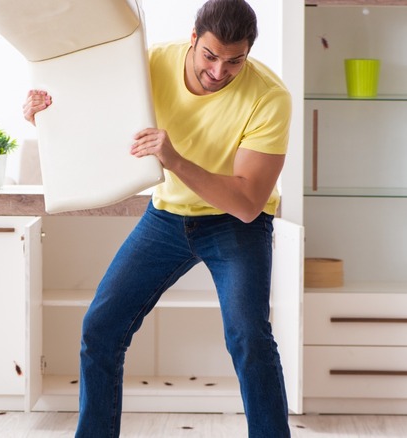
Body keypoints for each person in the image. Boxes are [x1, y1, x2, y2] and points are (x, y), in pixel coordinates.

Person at [23, 0, 292, 437]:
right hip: (167, 216)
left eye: (234, 61)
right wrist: (47, 119)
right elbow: (97, 119)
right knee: (101, 328)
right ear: (193, 38)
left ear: (248, 53)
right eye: (210, 56)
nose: (219, 71)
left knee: (249, 338)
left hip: (236, 225)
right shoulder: (151, 64)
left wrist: (175, 159)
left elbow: (246, 202)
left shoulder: (270, 98)